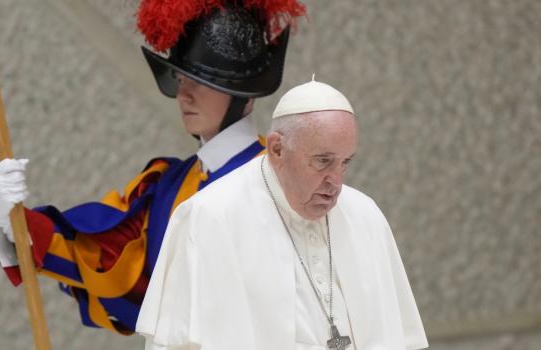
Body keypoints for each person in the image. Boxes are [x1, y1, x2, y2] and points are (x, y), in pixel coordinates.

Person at [0, 0, 306, 334]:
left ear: (245, 93)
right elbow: (106, 263)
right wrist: (14, 222)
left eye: (203, 81)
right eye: (181, 77)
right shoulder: (168, 186)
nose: (184, 95)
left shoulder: (283, 187)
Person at [136, 79, 429, 350]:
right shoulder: (210, 216)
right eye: (323, 161)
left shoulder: (365, 214)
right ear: (277, 149)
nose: (336, 182)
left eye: (345, 163)